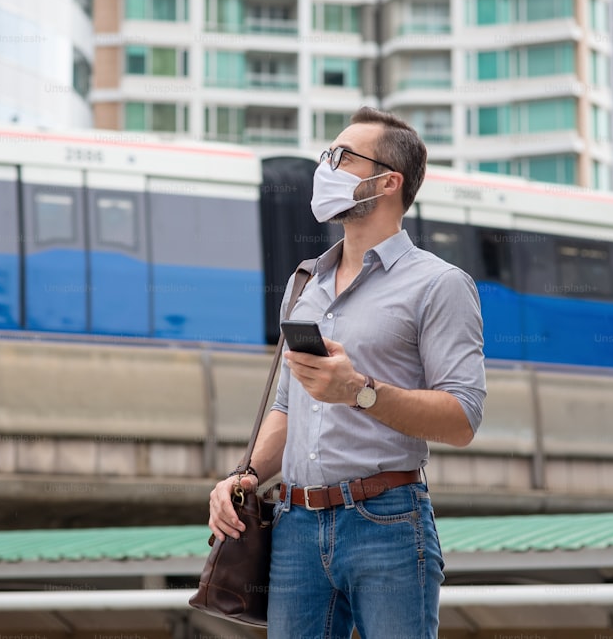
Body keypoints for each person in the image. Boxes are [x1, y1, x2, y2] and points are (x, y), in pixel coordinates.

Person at [207, 107, 486, 637]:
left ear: (388, 181)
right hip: (293, 525)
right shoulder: (306, 285)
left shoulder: (440, 285)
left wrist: (359, 392)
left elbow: (462, 418)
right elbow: (290, 405)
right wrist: (245, 475)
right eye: (326, 156)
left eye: (342, 157)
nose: (326, 167)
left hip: (387, 521)